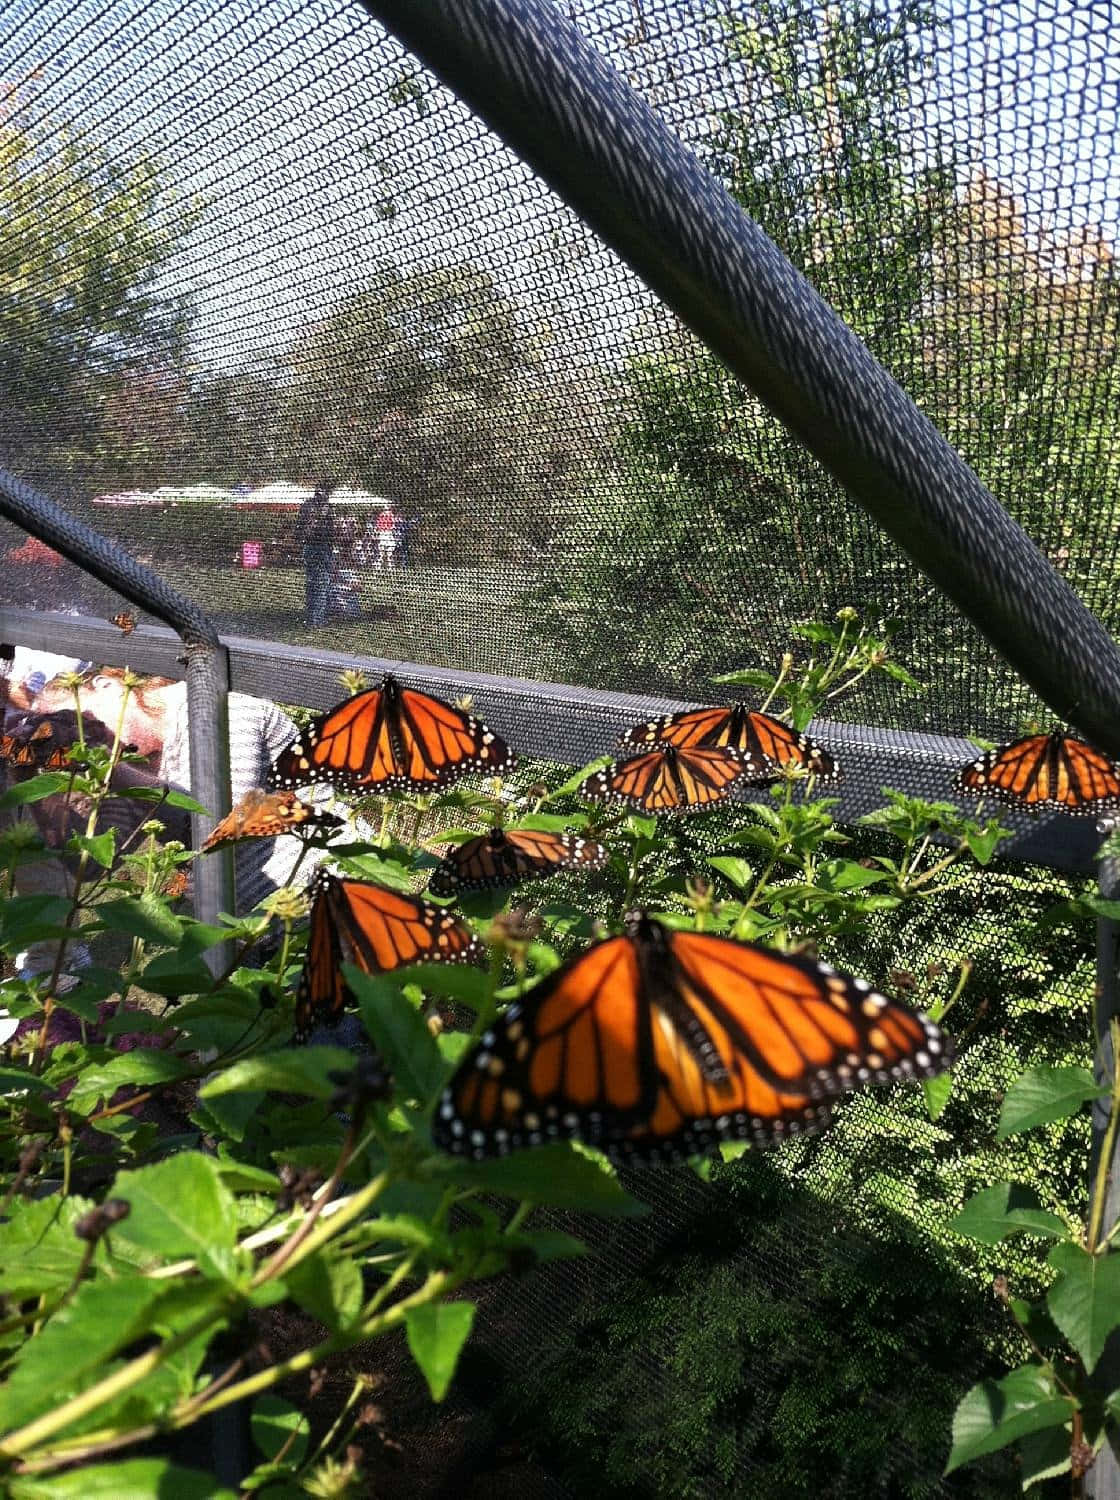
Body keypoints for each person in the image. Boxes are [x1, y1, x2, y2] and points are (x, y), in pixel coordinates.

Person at [36, 668, 318, 914]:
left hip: (326, 897)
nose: (82, 740)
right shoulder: (137, 762)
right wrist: (24, 768)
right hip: (254, 933)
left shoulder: (215, 707)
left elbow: (220, 825)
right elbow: (93, 866)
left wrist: (110, 767)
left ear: (107, 685)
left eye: (78, 720)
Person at [295, 482, 335, 627]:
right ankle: (317, 619)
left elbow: (298, 529)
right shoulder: (324, 506)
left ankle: (311, 616)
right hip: (320, 547)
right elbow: (330, 529)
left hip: (309, 547)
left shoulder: (306, 505)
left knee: (312, 583)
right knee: (321, 583)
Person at [374, 504, 398, 571]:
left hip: (385, 533)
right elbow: (392, 525)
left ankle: (386, 567)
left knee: (386, 552)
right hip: (385, 533)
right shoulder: (388, 515)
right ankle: (383, 567)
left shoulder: (386, 515)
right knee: (383, 552)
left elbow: (392, 525)